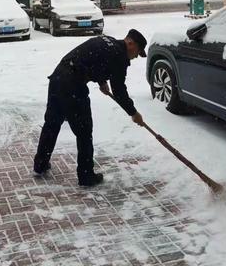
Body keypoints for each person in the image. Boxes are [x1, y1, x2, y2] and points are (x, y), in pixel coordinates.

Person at [33, 29, 147, 187]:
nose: (135, 57)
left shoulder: (108, 40)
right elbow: (119, 91)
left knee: (52, 123)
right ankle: (86, 176)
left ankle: (40, 164)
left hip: (59, 77)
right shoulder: (119, 55)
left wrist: (101, 82)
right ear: (131, 43)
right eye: (137, 52)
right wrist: (134, 113)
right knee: (84, 132)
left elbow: (93, 59)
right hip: (73, 84)